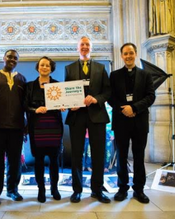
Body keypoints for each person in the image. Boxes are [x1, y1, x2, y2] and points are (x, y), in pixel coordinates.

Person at [65, 36, 111, 203]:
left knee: (98, 154)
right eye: (82, 44)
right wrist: (71, 104)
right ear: (77, 48)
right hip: (77, 115)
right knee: (76, 154)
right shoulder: (69, 69)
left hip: (96, 114)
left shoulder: (101, 67)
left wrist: (96, 99)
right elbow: (66, 92)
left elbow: (107, 92)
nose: (84, 47)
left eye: (87, 44)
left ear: (91, 48)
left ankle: (97, 190)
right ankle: (77, 190)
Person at [108, 43, 155, 204]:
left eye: (131, 53)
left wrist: (134, 108)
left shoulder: (146, 75)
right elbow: (110, 96)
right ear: (121, 56)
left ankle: (139, 189)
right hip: (121, 121)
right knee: (121, 156)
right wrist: (124, 109)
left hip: (139, 121)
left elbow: (150, 96)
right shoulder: (114, 75)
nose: (128, 56)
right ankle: (122, 188)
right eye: (125, 54)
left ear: (135, 54)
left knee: (139, 156)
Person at [0, 49, 26, 206]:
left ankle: (12, 190)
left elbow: (24, 103)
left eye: (15, 58)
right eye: (9, 57)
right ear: (3, 58)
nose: (12, 60)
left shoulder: (21, 79)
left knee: (15, 161)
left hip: (16, 127)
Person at [25, 56, 64, 203]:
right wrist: (35, 110)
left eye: (47, 65)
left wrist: (62, 106)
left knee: (54, 160)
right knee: (39, 161)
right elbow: (25, 106)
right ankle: (41, 190)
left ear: (51, 68)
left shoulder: (57, 85)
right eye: (42, 65)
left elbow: (62, 103)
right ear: (38, 67)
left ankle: (54, 189)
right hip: (37, 128)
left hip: (54, 127)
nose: (45, 67)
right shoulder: (29, 86)